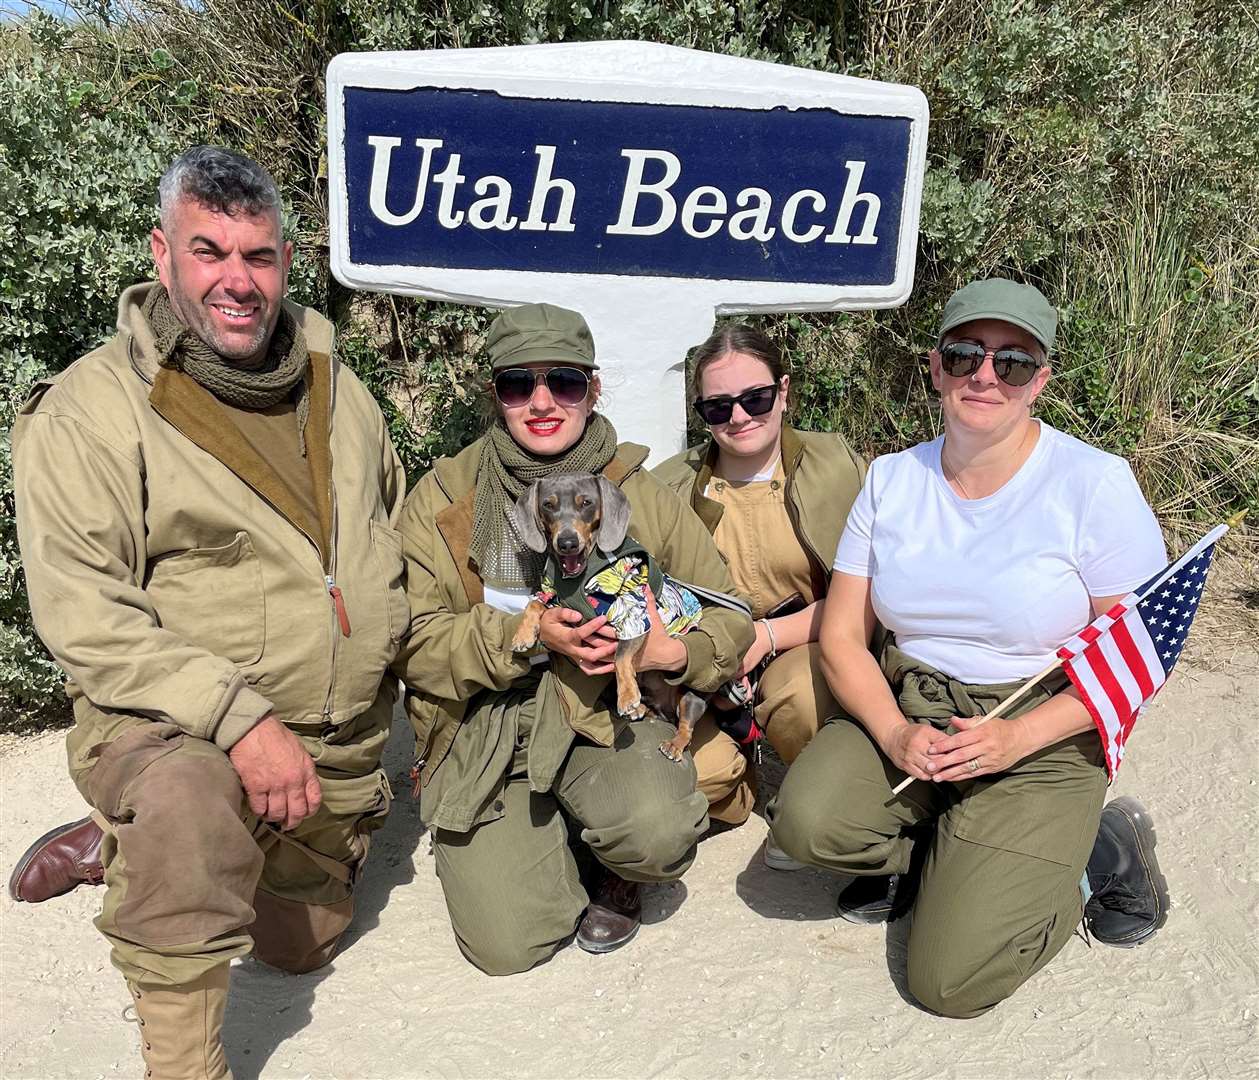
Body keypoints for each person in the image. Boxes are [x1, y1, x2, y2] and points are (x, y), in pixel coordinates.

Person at [7, 146, 407, 1077]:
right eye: (209, 251)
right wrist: (242, 720)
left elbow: (393, 566)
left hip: (333, 746)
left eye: (258, 257)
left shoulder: (341, 392)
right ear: (161, 255)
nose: (238, 280)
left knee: (297, 943)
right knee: (189, 811)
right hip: (182, 727)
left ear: (286, 262)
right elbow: (88, 617)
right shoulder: (89, 413)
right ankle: (182, 1038)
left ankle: (136, 845)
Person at [766, 279, 1172, 1017]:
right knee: (808, 825)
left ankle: (1096, 849)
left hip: (1039, 723)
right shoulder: (892, 479)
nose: (984, 375)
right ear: (935, 367)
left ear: (1039, 380)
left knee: (949, 983)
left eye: (1011, 362)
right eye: (964, 355)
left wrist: (1016, 736)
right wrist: (891, 732)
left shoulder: (1092, 484)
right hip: (915, 707)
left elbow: (1140, 651)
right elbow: (841, 636)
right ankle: (962, 852)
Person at [392, 303, 753, 974]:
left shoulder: (635, 494)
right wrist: (526, 641)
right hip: (487, 728)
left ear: (592, 389)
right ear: (493, 396)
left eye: (562, 381)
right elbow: (414, 642)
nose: (541, 402)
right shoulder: (442, 498)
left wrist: (676, 652)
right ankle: (553, 847)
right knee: (508, 947)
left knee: (656, 832)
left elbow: (730, 613)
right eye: (516, 384)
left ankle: (615, 855)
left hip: (604, 714)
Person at [653, 325, 865, 846]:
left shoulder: (838, 468)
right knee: (691, 778)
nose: (740, 417)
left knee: (800, 696)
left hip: (805, 639)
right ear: (701, 413)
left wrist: (767, 638)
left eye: (756, 398)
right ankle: (738, 786)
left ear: (784, 391)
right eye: (719, 407)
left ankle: (813, 794)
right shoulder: (668, 486)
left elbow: (869, 596)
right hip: (705, 665)